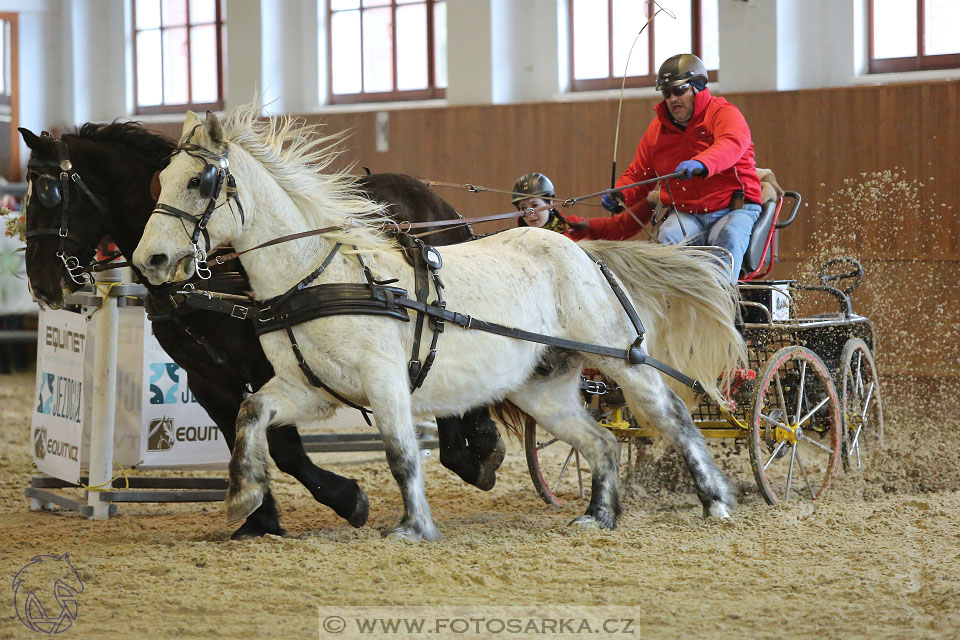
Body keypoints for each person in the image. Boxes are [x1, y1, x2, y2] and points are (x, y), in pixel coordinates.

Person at [583, 53, 763, 282]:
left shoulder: (724, 113)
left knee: (728, 239)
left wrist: (701, 163)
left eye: (679, 90)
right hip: (687, 214)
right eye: (666, 93)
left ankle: (721, 305)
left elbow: (731, 144)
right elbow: (640, 172)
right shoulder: (657, 129)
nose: (672, 98)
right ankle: (674, 307)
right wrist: (621, 194)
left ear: (698, 87)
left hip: (733, 209)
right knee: (668, 240)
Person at [511, 172, 589, 239]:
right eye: (523, 208)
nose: (530, 214)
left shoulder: (574, 224)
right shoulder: (516, 240)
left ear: (550, 203)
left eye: (534, 205)